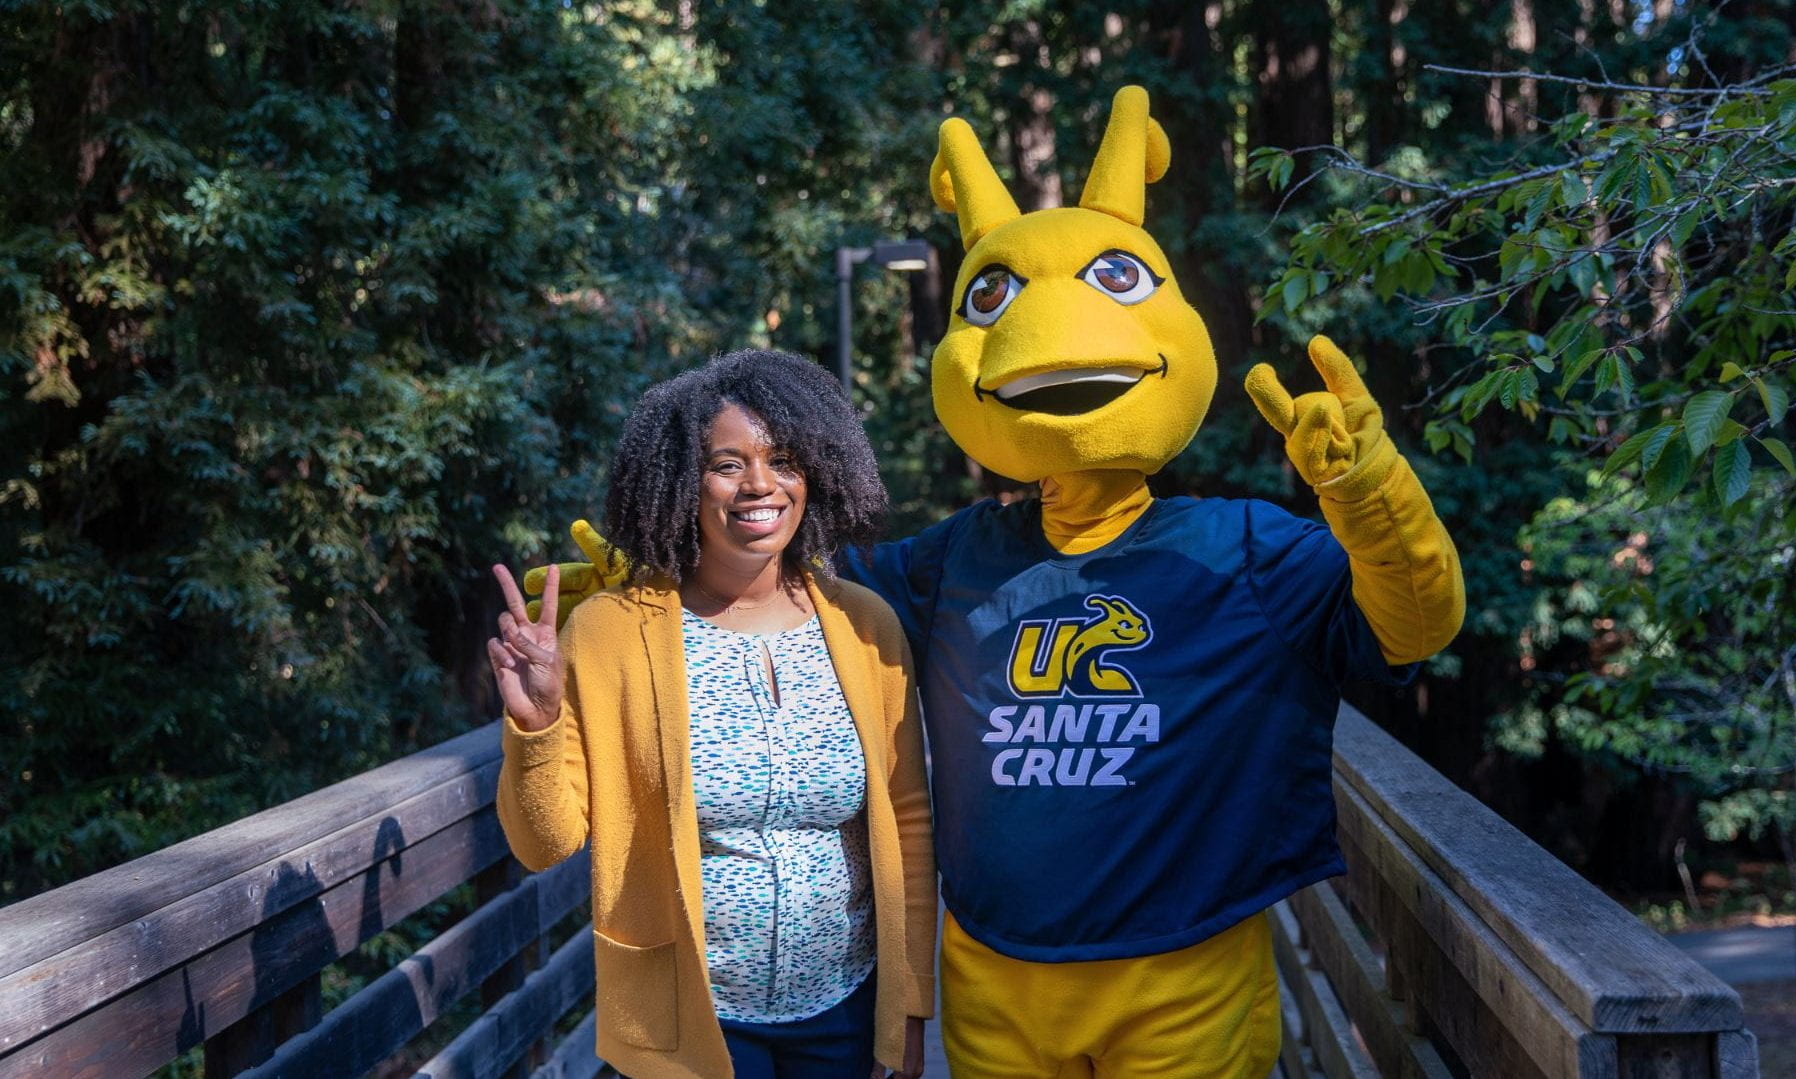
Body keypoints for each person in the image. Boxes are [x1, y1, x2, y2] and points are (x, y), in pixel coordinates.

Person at [533, 87, 1464, 1077]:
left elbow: (1413, 624)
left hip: (1182, 975)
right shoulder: (952, 559)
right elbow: (780, 587)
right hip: (992, 980)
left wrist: (1367, 491)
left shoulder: (1243, 549)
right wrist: (653, 573)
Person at [487, 349, 935, 1079]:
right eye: (727, 464)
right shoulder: (610, 630)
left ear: (815, 472)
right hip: (691, 1022)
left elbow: (909, 817)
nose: (760, 484)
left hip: (846, 1012)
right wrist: (536, 727)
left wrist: (910, 1005)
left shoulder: (866, 625)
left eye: (784, 459)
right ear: (680, 485)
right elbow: (546, 843)